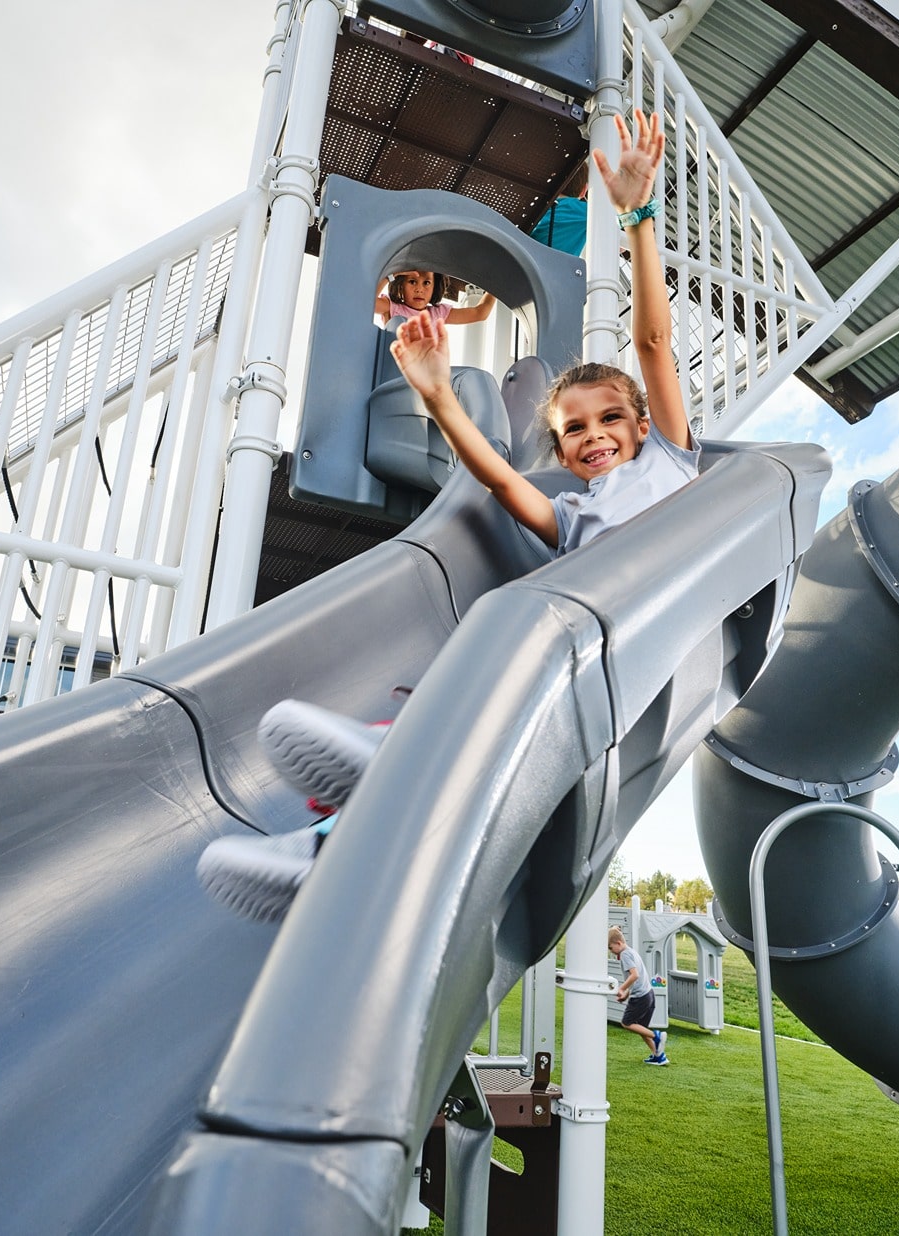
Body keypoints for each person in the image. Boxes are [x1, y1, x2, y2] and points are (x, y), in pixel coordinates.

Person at [199, 109, 696, 923]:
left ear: (642, 423)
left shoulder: (672, 461)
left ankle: (395, 752)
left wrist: (638, 217)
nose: (594, 436)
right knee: (490, 647)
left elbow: (649, 340)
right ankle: (320, 853)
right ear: (565, 452)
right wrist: (434, 390)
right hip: (574, 643)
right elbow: (502, 482)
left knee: (505, 656)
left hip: (634, 641)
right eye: (574, 429)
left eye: (609, 419)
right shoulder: (574, 522)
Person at [610, 926, 667, 1063]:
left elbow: (635, 975)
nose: (611, 952)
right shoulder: (631, 952)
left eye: (610, 948)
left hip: (641, 997)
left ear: (618, 943)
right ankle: (658, 1056)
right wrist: (627, 994)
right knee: (642, 1029)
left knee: (626, 1023)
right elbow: (639, 978)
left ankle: (656, 1036)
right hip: (648, 994)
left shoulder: (625, 954)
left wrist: (622, 989)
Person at [376, 270, 496, 330]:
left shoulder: (437, 314)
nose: (419, 289)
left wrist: (498, 284)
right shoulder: (393, 307)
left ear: (434, 287)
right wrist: (390, 275)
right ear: (401, 284)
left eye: (426, 283)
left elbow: (480, 313)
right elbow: (364, 302)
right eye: (412, 282)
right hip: (397, 371)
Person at [529, 162, 590, 256]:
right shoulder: (584, 211)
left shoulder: (533, 206)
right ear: (584, 190)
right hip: (554, 268)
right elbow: (618, 221)